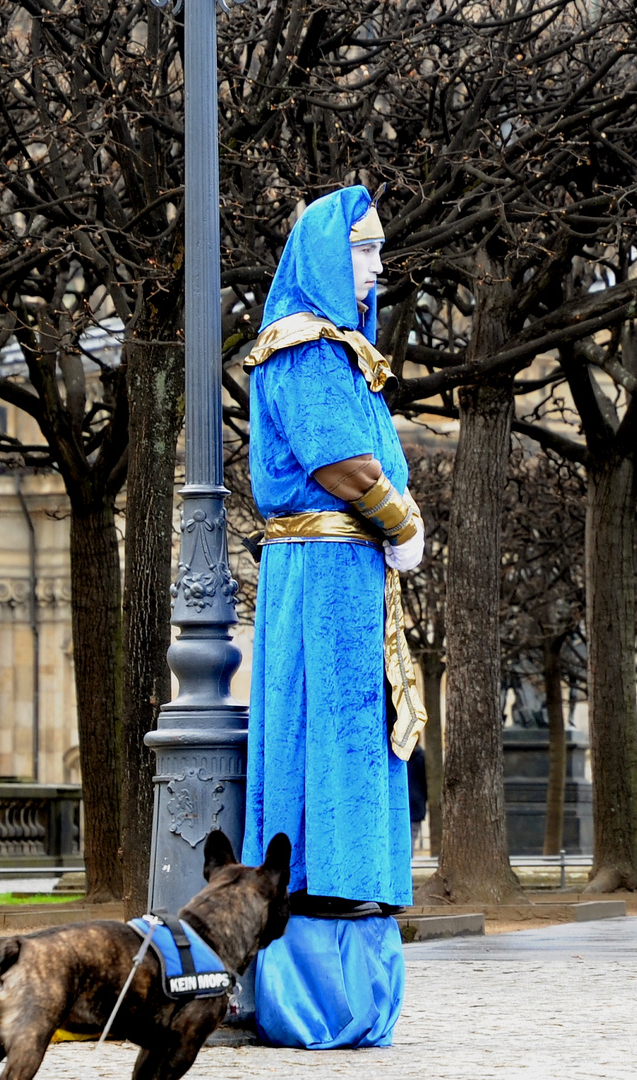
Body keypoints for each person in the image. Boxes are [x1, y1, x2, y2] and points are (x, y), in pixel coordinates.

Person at [242, 185, 427, 1049]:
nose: (377, 265)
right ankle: (320, 987)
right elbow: (341, 463)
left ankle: (345, 977)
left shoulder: (337, 350)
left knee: (349, 740)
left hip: (340, 575)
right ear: (323, 256)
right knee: (330, 743)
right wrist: (403, 521)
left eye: (379, 250)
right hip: (324, 573)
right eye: (363, 249)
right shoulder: (306, 349)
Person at [408, 743, 428, 853]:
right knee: (412, 835)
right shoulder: (421, 756)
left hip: (401, 801)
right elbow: (425, 781)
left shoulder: (398, 755)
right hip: (417, 801)